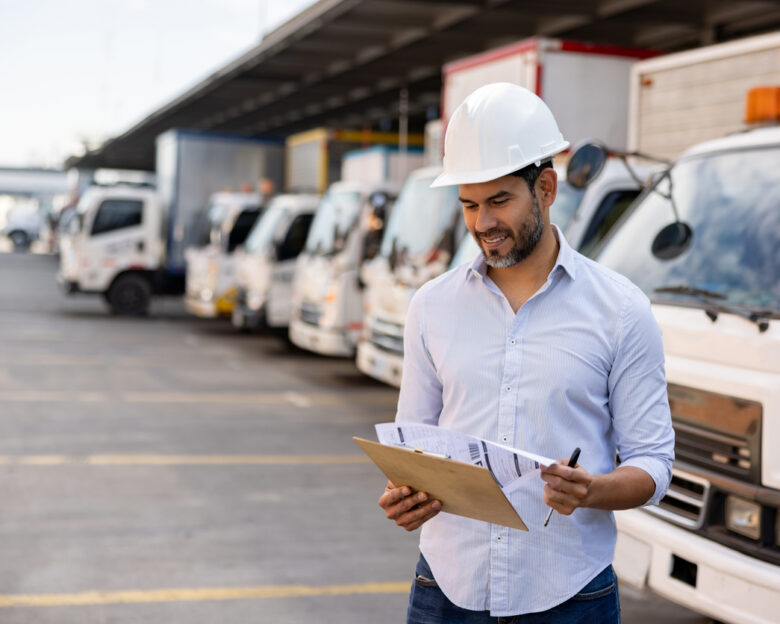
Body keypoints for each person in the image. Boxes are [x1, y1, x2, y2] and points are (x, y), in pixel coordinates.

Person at [377, 82, 675, 623]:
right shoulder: (432, 306)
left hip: (568, 595)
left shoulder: (621, 311)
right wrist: (405, 492)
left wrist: (593, 490)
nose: (481, 224)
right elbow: (413, 444)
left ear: (546, 188)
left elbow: (654, 464)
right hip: (446, 588)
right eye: (468, 204)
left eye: (499, 201)